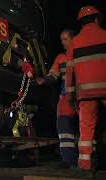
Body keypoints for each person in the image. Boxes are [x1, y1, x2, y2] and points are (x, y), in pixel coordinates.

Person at [65, 6, 106, 172]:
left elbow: (69, 73)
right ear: (97, 18)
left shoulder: (74, 43)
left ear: (81, 23)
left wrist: (70, 96)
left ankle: (85, 165)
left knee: (86, 131)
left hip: (85, 94)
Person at [36, 29, 77, 168]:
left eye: (65, 39)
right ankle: (68, 159)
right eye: (61, 40)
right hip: (67, 96)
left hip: (82, 95)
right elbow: (53, 75)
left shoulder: (80, 53)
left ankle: (91, 156)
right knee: (63, 124)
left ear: (73, 39)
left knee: (86, 126)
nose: (63, 42)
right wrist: (45, 80)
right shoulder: (61, 57)